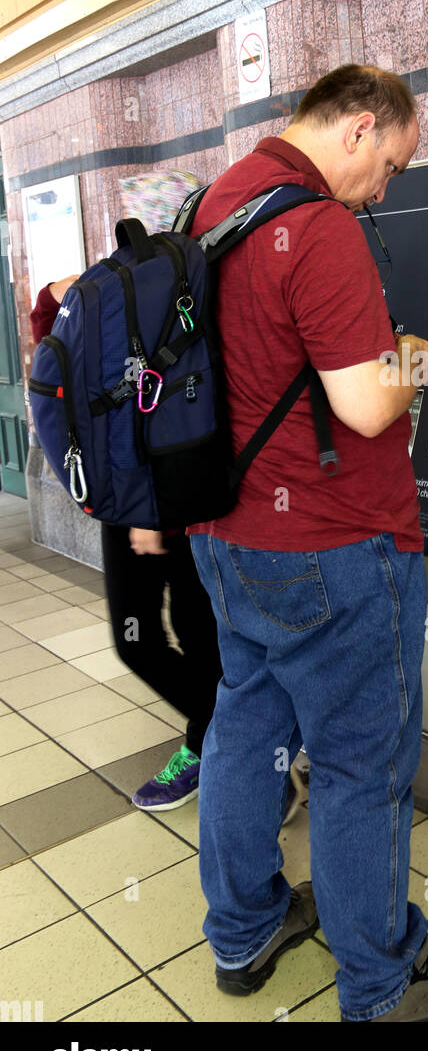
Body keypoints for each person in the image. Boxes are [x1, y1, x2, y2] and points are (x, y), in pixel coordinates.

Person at [186, 64, 428, 1022]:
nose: (386, 188)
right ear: (361, 129)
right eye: (394, 166)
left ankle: (243, 934)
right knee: (362, 763)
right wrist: (419, 357)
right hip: (333, 548)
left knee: (244, 729)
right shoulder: (317, 227)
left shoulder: (216, 201)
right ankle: (381, 984)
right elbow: (365, 403)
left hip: (226, 535)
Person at [28, 280, 310, 820]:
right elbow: (58, 362)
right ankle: (238, 748)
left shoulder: (180, 290)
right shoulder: (98, 293)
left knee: (192, 634)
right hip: (134, 492)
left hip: (169, 492)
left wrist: (146, 511)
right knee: (149, 639)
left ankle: (233, 752)